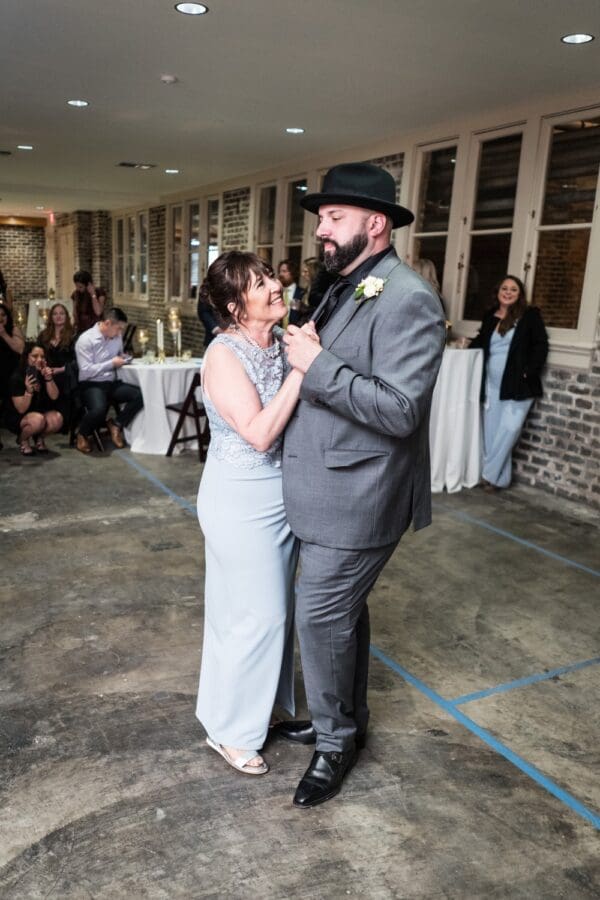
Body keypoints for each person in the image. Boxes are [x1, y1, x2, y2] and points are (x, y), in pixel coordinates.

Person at [278, 162, 446, 808]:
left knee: (318, 618)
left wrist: (317, 366)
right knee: (342, 615)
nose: (322, 230)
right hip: (326, 489)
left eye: (334, 218)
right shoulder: (345, 283)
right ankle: (350, 720)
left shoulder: (408, 299)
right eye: (322, 219)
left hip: (360, 497)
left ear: (375, 225)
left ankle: (334, 742)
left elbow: (402, 409)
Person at [195, 250, 308, 776]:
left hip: (280, 495)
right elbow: (261, 434)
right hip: (238, 496)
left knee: (252, 613)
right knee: (260, 615)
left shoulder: (279, 343)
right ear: (237, 307)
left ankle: (243, 714)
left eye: (270, 276)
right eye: (260, 282)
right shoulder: (223, 354)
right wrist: (304, 371)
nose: (275, 285)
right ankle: (232, 733)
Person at [468, 275, 548, 492]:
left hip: (518, 385)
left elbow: (541, 345)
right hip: (492, 385)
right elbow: (480, 342)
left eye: (514, 289)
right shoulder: (490, 316)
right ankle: (499, 480)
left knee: (509, 430)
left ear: (519, 294)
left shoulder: (529, 316)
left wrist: (529, 372)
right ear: (498, 291)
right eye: (505, 288)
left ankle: (488, 475)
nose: (508, 292)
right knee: (492, 433)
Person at [74, 307, 143, 454]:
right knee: (99, 410)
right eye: (118, 329)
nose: (120, 333)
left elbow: (119, 354)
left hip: (111, 382)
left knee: (140, 395)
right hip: (91, 384)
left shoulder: (116, 337)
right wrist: (111, 363)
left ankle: (116, 424)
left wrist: (124, 357)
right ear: (107, 323)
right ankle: (82, 434)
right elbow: (86, 371)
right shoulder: (86, 340)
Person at [8, 342, 63, 455]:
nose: (39, 359)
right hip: (18, 417)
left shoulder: (43, 372)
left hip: (39, 412)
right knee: (38, 420)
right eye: (34, 356)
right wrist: (28, 391)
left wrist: (48, 379)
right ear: (26, 356)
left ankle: (39, 438)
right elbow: (21, 409)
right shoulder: (17, 376)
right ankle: (22, 439)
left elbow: (54, 396)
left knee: (57, 418)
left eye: (42, 356)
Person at [37, 302, 78, 430]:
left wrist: (60, 370)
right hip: (46, 374)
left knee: (62, 382)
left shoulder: (73, 336)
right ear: (51, 317)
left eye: (62, 313)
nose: (58, 316)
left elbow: (77, 361)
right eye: (55, 314)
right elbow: (38, 355)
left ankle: (62, 419)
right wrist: (44, 368)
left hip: (66, 374)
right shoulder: (43, 335)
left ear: (67, 316)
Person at [0, 302, 25, 448]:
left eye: (3, 315)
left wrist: (3, 334)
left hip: (11, 374)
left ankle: (23, 436)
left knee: (12, 409)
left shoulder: (13, 329)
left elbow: (21, 349)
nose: (1, 318)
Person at [300, 256, 336, 323]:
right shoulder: (305, 289)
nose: (302, 274)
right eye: (302, 271)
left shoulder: (321, 291)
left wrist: (305, 309)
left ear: (313, 272)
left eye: (306, 271)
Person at [71, 270, 103, 335]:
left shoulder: (99, 293)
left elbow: (98, 312)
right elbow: (74, 313)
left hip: (95, 329)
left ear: (88, 284)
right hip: (81, 329)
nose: (77, 289)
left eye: (80, 287)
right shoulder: (76, 294)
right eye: (76, 286)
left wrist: (93, 295)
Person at [278, 259, 305, 326]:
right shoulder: (277, 292)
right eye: (280, 271)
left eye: (284, 271)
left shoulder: (302, 293)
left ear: (293, 273)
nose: (280, 274)